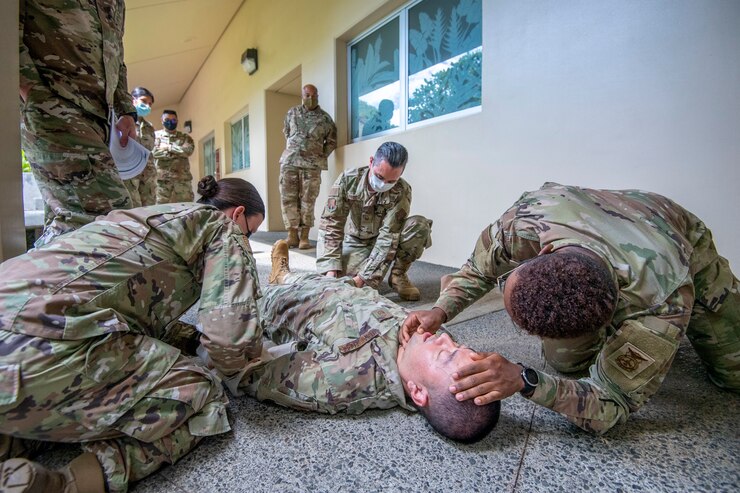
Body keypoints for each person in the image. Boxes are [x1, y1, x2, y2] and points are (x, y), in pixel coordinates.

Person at [402, 182, 739, 435]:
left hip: (670, 231)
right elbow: (479, 270)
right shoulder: (524, 222)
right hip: (602, 209)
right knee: (566, 362)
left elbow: (613, 403)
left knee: (733, 372)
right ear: (542, 253)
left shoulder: (664, 298)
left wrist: (526, 380)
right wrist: (441, 310)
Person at [0, 176, 266, 493]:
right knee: (201, 392)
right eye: (251, 232)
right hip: (34, 348)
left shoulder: (151, 219)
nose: (247, 241)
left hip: (17, 340)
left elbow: (138, 315)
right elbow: (228, 341)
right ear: (237, 215)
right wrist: (246, 365)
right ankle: (65, 484)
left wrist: (192, 339)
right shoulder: (220, 228)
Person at [237, 240, 499, 443]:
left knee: (249, 282)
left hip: (283, 304)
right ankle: (285, 275)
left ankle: (275, 281)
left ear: (418, 392)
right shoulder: (419, 347)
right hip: (338, 288)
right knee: (312, 279)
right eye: (457, 346)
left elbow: (253, 375)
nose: (444, 338)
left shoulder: (343, 378)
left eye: (446, 354)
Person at [19, 0, 137, 247]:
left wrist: (127, 111)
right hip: (56, 107)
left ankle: (40, 282)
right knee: (110, 219)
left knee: (73, 226)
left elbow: (117, 57)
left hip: (103, 120)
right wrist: (33, 93)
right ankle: (19, 282)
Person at [316, 142, 432, 301]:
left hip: (387, 241)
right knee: (337, 281)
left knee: (419, 225)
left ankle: (398, 275)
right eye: (379, 176)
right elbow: (331, 224)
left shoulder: (402, 190)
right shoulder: (348, 180)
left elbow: (388, 237)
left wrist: (362, 279)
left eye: (391, 181)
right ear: (371, 162)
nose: (383, 184)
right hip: (356, 241)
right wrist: (330, 268)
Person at [279, 84, 337, 249]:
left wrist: (318, 156)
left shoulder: (325, 119)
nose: (310, 98)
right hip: (289, 162)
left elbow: (331, 142)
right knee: (288, 199)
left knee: (308, 200)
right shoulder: (292, 113)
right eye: (307, 95)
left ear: (318, 95)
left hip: (312, 166)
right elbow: (287, 132)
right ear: (302, 96)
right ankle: (292, 235)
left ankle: (304, 236)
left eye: (314, 95)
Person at [122, 87, 158, 207]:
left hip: (147, 176)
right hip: (129, 173)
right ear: (133, 100)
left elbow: (151, 149)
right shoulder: (122, 122)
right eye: (144, 101)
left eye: (150, 104)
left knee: (150, 209)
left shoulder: (149, 127)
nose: (147, 106)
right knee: (133, 208)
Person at [152, 110, 195, 204]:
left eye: (173, 120)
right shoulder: (155, 136)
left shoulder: (185, 137)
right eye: (167, 119)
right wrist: (178, 152)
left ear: (177, 121)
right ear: (162, 120)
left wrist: (168, 147)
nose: (170, 122)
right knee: (160, 208)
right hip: (162, 180)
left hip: (182, 179)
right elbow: (153, 153)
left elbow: (188, 151)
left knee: (187, 207)